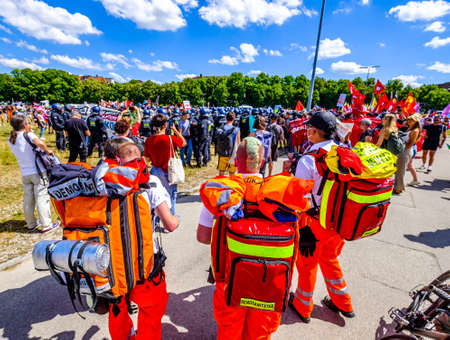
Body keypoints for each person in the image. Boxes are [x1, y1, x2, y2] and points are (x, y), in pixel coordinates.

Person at [196, 137, 283, 340]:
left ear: (236, 160)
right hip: (268, 280)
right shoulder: (279, 193)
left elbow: (202, 237)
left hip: (229, 277)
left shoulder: (221, 192)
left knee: (229, 328)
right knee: (260, 332)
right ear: (263, 162)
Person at [104, 139, 180, 340]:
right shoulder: (151, 183)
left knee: (117, 308)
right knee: (152, 310)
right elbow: (170, 224)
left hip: (112, 264)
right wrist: (177, 219)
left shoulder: (101, 184)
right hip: (145, 264)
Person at [289, 111, 354, 323]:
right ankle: (343, 302)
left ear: (315, 131)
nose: (307, 131)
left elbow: (300, 199)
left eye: (309, 128)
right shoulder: (344, 152)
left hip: (312, 221)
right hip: (338, 219)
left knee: (307, 264)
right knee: (330, 258)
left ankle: (302, 305)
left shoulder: (308, 159)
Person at [7, 115, 59, 233]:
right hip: (38, 171)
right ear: (25, 125)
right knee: (42, 197)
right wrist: (47, 150)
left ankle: (31, 223)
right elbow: (39, 143)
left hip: (25, 172)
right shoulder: (28, 135)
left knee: (28, 199)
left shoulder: (11, 138)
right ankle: (46, 225)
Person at [144, 113, 186, 215]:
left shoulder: (148, 140)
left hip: (155, 171)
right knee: (171, 195)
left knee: (157, 196)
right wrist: (175, 130)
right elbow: (183, 143)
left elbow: (147, 158)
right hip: (169, 170)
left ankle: (158, 217)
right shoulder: (170, 138)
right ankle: (170, 217)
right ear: (165, 125)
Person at [394, 113, 421, 193]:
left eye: (411, 119)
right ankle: (398, 187)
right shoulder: (409, 128)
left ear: (416, 121)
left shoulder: (415, 131)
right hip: (402, 150)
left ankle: (398, 188)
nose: (408, 120)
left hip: (406, 151)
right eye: (408, 119)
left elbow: (410, 145)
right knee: (398, 170)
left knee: (400, 171)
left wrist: (400, 140)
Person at [216, 111, 240, 176]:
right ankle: (230, 185)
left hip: (222, 153)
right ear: (234, 119)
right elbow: (238, 143)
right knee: (232, 173)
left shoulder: (221, 128)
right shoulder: (236, 129)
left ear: (226, 118)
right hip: (232, 154)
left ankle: (221, 185)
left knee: (221, 172)